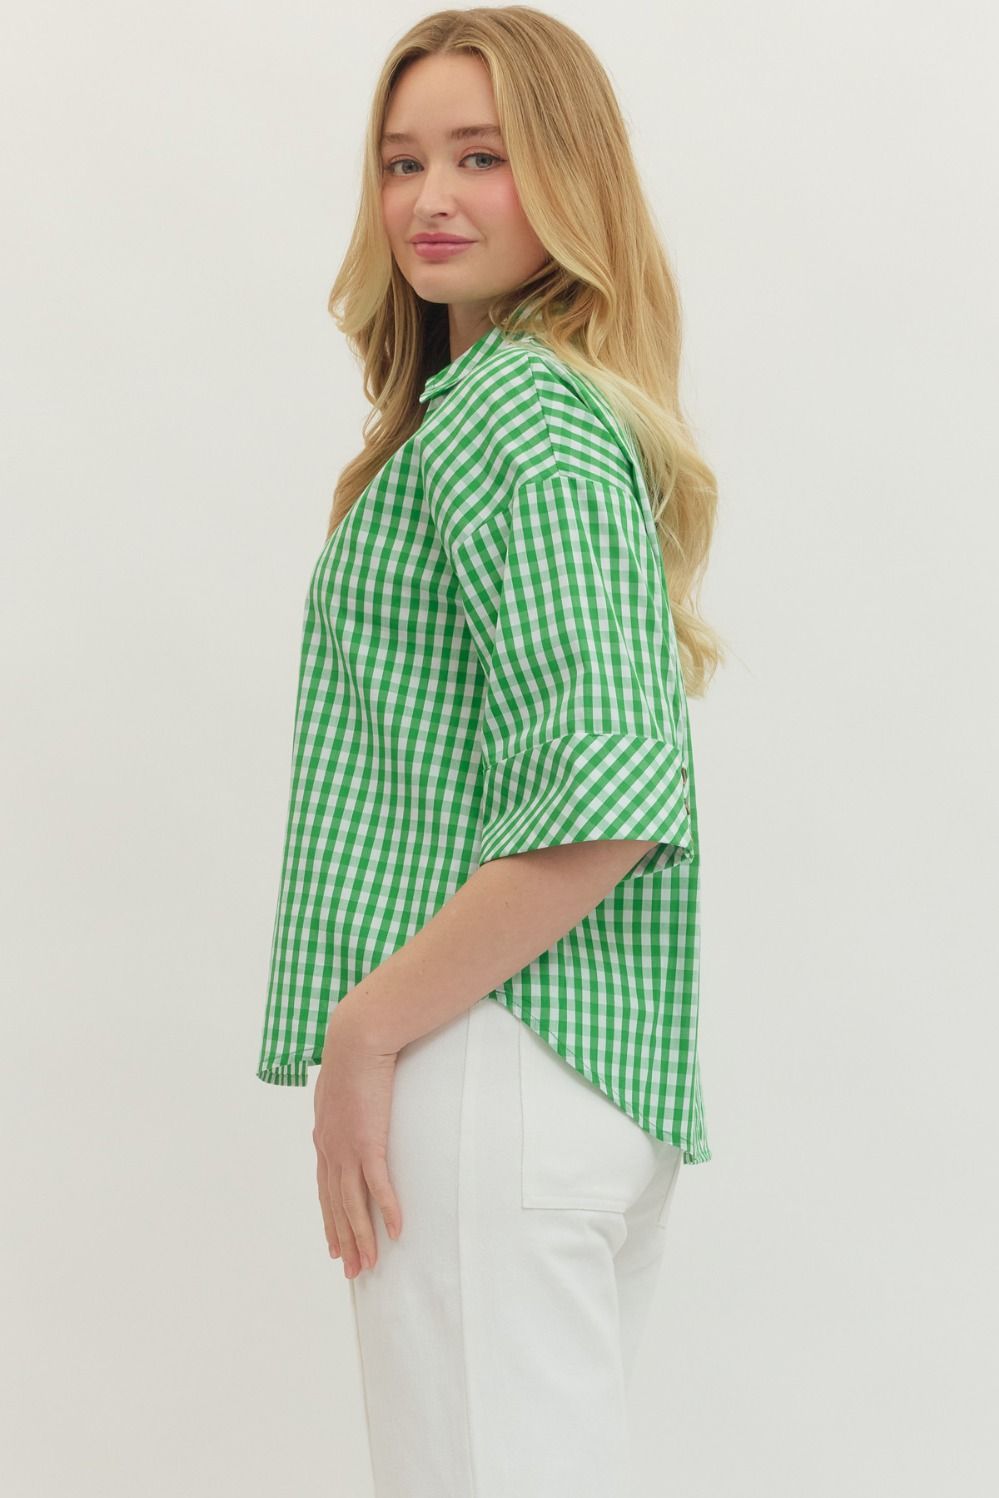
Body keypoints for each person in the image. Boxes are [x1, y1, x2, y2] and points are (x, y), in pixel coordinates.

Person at [255, 7, 724, 1495]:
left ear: (569, 179)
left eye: (482, 155)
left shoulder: (512, 421)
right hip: (559, 1067)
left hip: (489, 1056)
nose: (429, 199)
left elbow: (611, 794)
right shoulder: (518, 417)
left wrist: (368, 1026)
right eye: (402, 161)